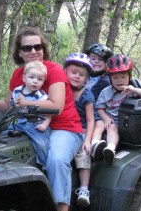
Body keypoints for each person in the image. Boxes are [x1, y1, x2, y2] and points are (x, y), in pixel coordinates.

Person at [0, 27, 83, 211]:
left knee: (56, 159)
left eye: (37, 46)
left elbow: (55, 106)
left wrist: (24, 104)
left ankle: (62, 207)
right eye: (27, 48)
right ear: (20, 53)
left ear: (43, 48)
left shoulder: (54, 70)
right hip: (31, 127)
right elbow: (9, 104)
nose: (33, 51)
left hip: (64, 127)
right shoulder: (19, 75)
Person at [91, 54, 141, 164]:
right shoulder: (106, 92)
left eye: (123, 77)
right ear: (109, 78)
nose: (119, 80)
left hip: (120, 122)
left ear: (130, 77)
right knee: (99, 124)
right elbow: (100, 108)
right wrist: (105, 118)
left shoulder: (132, 90)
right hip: (107, 117)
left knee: (113, 128)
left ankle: (110, 148)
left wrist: (134, 90)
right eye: (115, 77)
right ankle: (95, 145)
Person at [63, 53, 95, 207]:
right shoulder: (61, 90)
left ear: (86, 78)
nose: (77, 77)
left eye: (81, 75)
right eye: (73, 73)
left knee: (83, 153)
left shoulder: (86, 94)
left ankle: (83, 188)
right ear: (66, 72)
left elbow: (90, 119)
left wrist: (87, 140)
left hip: (80, 130)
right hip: (63, 127)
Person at [9, 61, 51, 168]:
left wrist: (44, 125)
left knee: (41, 144)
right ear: (24, 78)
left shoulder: (42, 96)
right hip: (18, 122)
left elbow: (49, 114)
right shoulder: (17, 91)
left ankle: (45, 165)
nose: (35, 81)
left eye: (39, 79)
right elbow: (12, 105)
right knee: (1, 134)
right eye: (31, 77)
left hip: (34, 124)